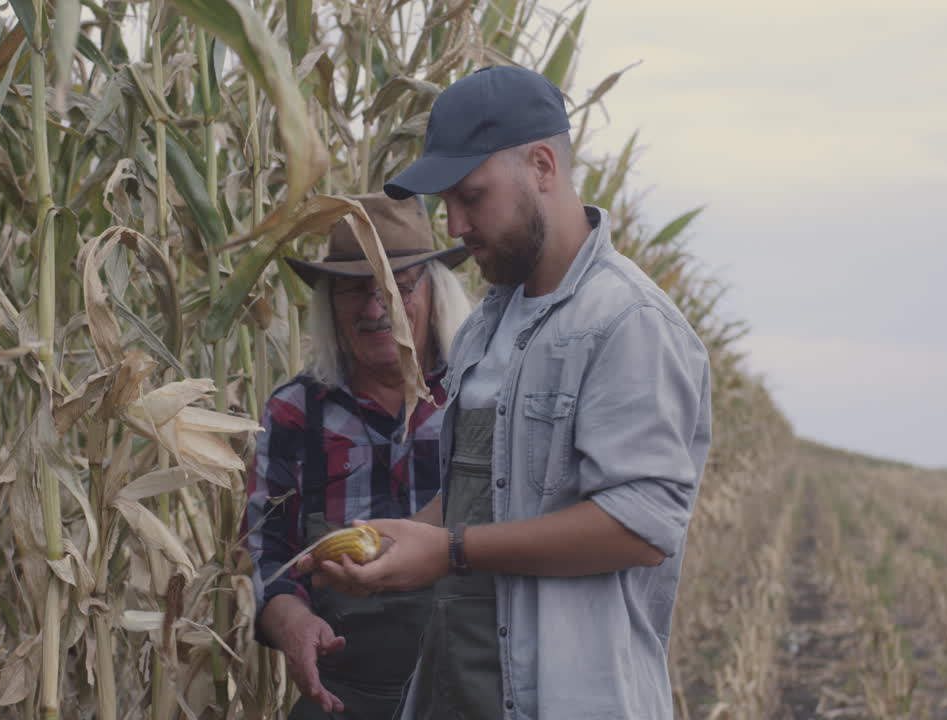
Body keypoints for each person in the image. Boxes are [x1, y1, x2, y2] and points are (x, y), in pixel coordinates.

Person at [304, 66, 714, 719]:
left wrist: (450, 552)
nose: (455, 223)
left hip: (566, 696)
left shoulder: (626, 322)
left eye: (472, 196)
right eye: (446, 204)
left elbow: (642, 524)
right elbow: (485, 490)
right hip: (456, 687)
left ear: (544, 166)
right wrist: (403, 536)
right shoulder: (487, 325)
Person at [244, 192, 474, 719]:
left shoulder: (481, 398)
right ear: (328, 304)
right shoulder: (294, 412)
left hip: (472, 688)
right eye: (353, 291)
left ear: (435, 292)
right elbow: (266, 555)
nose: (375, 310)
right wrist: (291, 622)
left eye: (395, 289)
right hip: (346, 695)